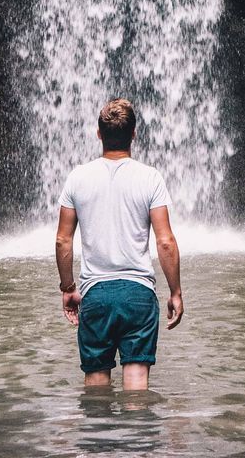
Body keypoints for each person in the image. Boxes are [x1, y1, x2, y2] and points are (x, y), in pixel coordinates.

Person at [55, 97, 184, 390]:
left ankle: (99, 435)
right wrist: (176, 292)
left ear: (98, 134)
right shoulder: (150, 178)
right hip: (139, 295)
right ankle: (136, 436)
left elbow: (63, 240)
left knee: (96, 386)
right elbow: (165, 242)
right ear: (134, 133)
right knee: (137, 388)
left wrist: (68, 288)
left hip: (95, 294)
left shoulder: (77, 178)